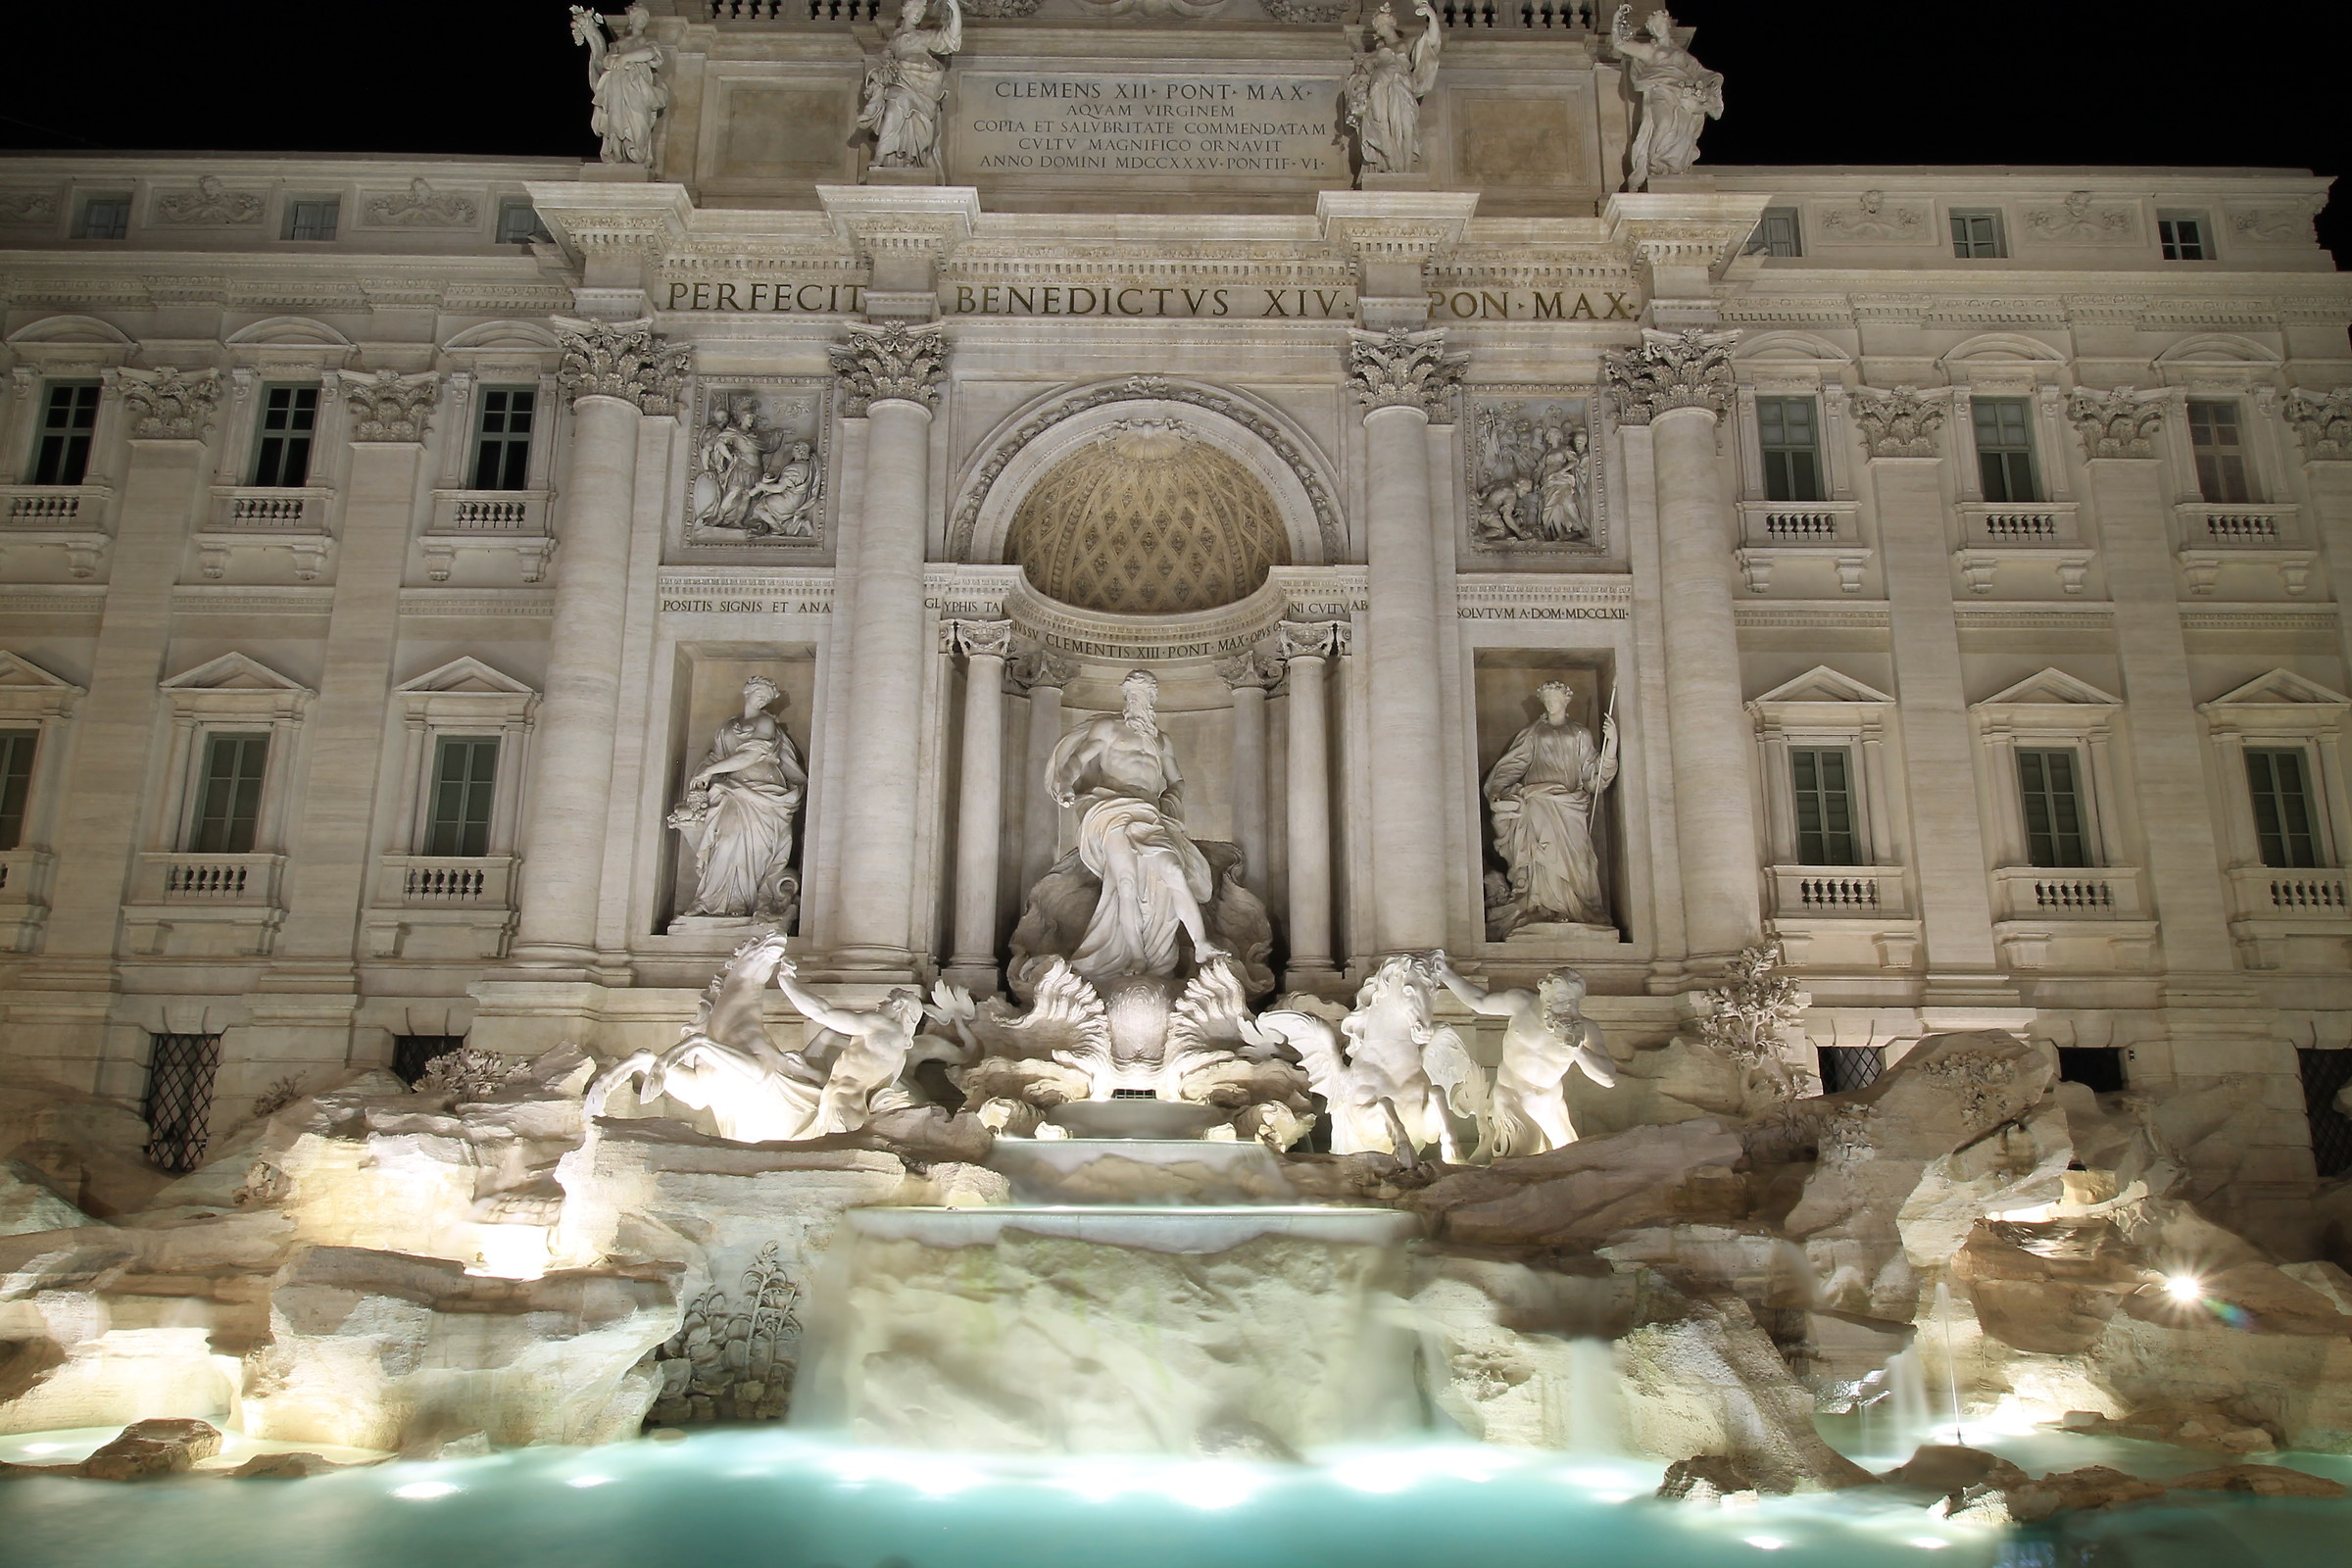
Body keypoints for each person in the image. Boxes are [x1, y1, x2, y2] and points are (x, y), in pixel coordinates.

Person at [1046, 669, 1224, 982]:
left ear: (1153, 699)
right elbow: (1077, 760)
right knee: (1125, 883)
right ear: (1126, 697)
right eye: (1133, 695)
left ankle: (1200, 944)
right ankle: (1137, 956)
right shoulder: (1108, 728)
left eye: (1144, 695)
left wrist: (1170, 801)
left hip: (1149, 813)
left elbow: (1177, 780)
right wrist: (1065, 784)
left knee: (1173, 870)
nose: (1138, 700)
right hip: (1112, 809)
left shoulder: (1161, 740)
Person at [1429, 955, 1616, 1157]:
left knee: (1572, 1158)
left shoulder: (1585, 1029)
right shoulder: (1522, 1003)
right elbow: (1479, 1001)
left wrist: (1577, 1049)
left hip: (1547, 1102)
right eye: (1562, 999)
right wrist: (1446, 974)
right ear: (1545, 993)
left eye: (1573, 1002)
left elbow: (1608, 1079)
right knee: (1520, 1156)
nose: (1568, 1008)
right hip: (1510, 1093)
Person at [1485, 681, 1617, 935]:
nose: (1550, 704)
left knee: (1577, 859)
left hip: (1570, 805)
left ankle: (1575, 909)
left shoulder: (1581, 734)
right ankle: (1542, 907)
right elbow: (1513, 764)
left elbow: (1594, 776)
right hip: (1538, 801)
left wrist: (1611, 744)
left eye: (1554, 699)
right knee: (1541, 856)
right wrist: (1498, 790)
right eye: (1546, 700)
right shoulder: (1534, 732)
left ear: (1566, 701)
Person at [669, 676, 805, 919]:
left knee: (752, 849)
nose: (762, 699)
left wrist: (711, 771)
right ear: (747, 691)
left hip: (763, 792)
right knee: (726, 841)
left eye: (767, 697)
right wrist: (701, 776)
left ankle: (741, 902)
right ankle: (711, 900)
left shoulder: (765, 722)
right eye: (759, 693)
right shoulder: (728, 726)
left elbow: (750, 755)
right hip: (731, 790)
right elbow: (716, 757)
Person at [772, 957, 926, 1137]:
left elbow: (823, 1013)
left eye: (887, 1001)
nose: (879, 1005)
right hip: (846, 1108)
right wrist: (807, 1071)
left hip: (842, 1108)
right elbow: (854, 1083)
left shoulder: (882, 1025)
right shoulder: (900, 1056)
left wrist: (787, 983)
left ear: (899, 1005)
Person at [1612, 5, 1722, 192]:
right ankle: (1656, 163)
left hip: (1682, 94)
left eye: (1661, 23)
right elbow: (1620, 44)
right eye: (1655, 26)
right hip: (1661, 90)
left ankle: (1671, 168)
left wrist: (1708, 85)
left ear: (1667, 25)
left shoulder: (1682, 54)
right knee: (1664, 122)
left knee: (1680, 130)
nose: (1658, 28)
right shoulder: (1650, 50)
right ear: (1652, 30)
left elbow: (1701, 73)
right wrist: (1617, 19)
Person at [858, 0, 963, 170]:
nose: (919, 13)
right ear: (905, 11)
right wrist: (878, 74)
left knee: (910, 114)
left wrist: (955, 10)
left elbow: (952, 40)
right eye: (915, 8)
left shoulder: (923, 36)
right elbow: (878, 61)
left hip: (924, 84)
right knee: (893, 109)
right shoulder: (894, 41)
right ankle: (882, 155)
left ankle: (911, 156)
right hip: (901, 82)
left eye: (922, 10)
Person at [1342, 0, 1443, 177]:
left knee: (1406, 126)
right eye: (1376, 26)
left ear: (1391, 23)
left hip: (1400, 86)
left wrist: (1431, 15)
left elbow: (1432, 41)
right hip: (1378, 90)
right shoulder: (1372, 57)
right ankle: (1390, 165)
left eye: (1380, 24)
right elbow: (1358, 80)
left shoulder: (1408, 44)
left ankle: (1405, 168)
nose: (1378, 29)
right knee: (1381, 126)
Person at [571, 5, 668, 166]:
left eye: (645, 17)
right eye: (639, 16)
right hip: (616, 85)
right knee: (615, 120)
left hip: (637, 88)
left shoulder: (647, 41)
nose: (642, 20)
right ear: (631, 19)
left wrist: (624, 58)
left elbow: (650, 53)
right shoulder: (619, 44)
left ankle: (636, 152)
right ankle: (617, 153)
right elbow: (603, 62)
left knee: (637, 122)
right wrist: (592, 34)